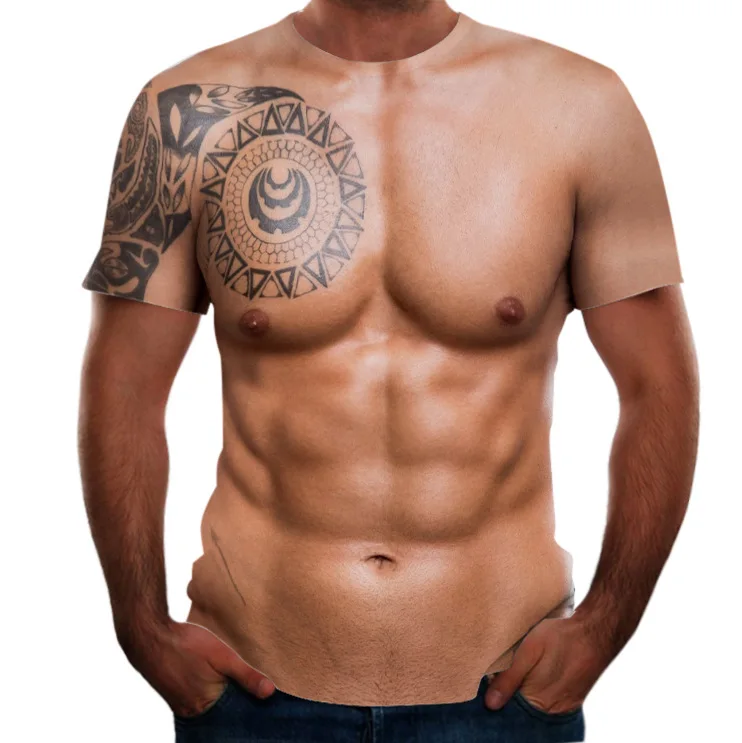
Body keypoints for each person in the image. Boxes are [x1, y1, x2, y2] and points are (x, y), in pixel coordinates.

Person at [78, 1, 700, 741]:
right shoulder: (184, 115)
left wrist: (605, 623)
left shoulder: (580, 107)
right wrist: (141, 625)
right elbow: (124, 387)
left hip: (503, 692)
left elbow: (659, 385)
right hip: (252, 686)